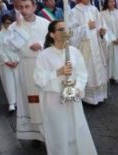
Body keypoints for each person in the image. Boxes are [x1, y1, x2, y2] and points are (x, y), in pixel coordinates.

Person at [34, 20, 97, 155]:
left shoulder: (74, 51)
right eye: (60, 30)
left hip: (73, 98)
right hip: (54, 101)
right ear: (52, 34)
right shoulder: (44, 55)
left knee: (76, 129)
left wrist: (77, 89)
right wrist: (57, 72)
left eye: (65, 29)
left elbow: (82, 73)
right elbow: (38, 79)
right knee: (59, 131)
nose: (64, 32)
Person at [8, 0, 49, 141]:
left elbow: (51, 42)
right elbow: (12, 46)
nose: (24, 10)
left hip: (42, 66)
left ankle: (47, 132)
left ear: (34, 7)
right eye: (21, 7)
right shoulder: (15, 26)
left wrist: (41, 45)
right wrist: (19, 29)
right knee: (30, 100)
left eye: (27, 6)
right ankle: (34, 134)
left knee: (44, 99)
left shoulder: (44, 23)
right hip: (25, 67)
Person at [68, 0, 108, 105]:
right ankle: (88, 97)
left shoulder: (94, 9)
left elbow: (101, 24)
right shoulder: (74, 12)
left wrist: (102, 32)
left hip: (96, 44)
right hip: (85, 48)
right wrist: (86, 27)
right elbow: (70, 33)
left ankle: (100, 96)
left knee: (98, 71)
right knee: (88, 71)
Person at [0, 14, 19, 113]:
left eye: (10, 23)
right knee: (9, 83)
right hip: (6, 63)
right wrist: (6, 61)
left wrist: (17, 59)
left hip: (17, 62)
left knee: (18, 82)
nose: (8, 25)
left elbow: (21, 48)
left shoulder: (17, 33)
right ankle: (11, 103)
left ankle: (19, 101)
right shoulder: (0, 35)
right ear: (3, 23)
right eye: (6, 23)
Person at [101, 0, 118, 85]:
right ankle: (109, 76)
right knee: (110, 58)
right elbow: (105, 27)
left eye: (113, 1)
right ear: (106, 3)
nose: (112, 3)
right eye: (110, 1)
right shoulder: (103, 14)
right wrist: (112, 38)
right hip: (109, 40)